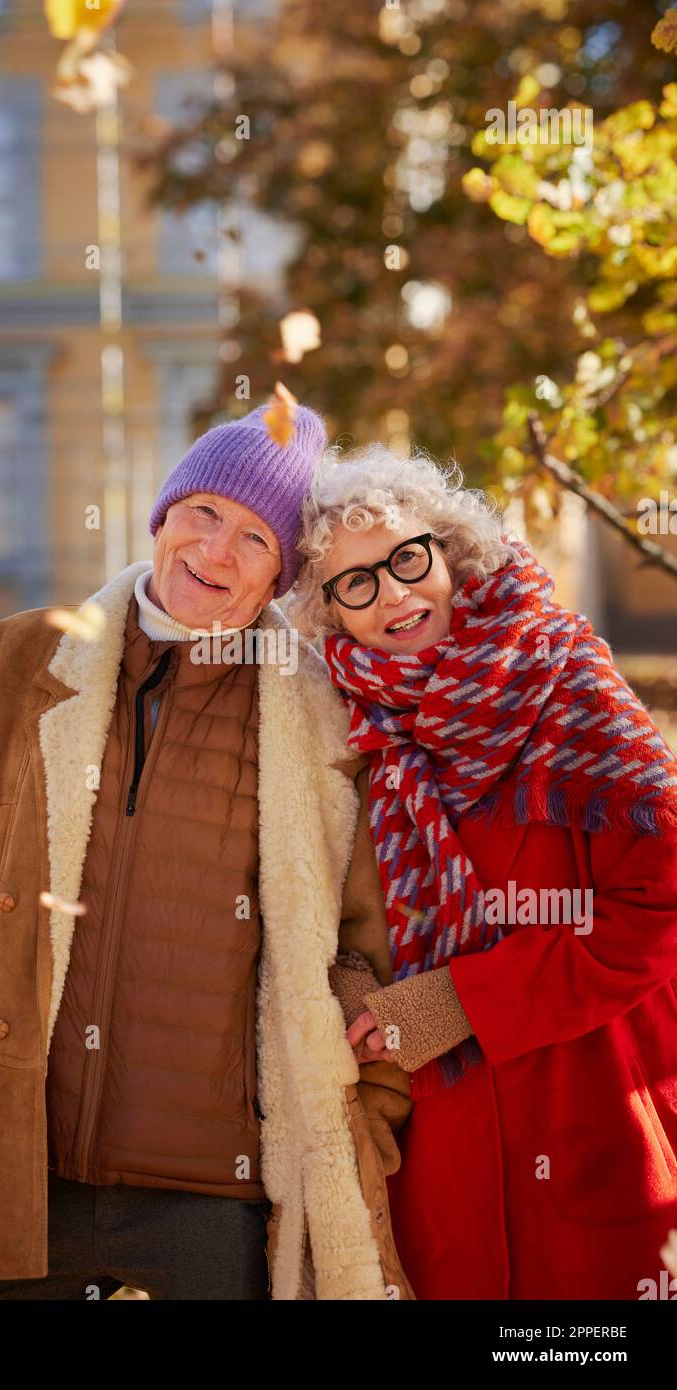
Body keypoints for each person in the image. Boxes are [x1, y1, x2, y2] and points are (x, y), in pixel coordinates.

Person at [0, 403, 414, 1301]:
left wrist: (366, 1103)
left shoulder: (318, 717)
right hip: (10, 1167)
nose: (216, 552)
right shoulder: (14, 660)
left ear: (281, 576)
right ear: (164, 515)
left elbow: (366, 944)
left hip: (213, 1202)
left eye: (256, 538)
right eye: (204, 514)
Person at [290, 442, 677, 1299]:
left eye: (406, 558)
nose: (392, 593)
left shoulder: (568, 680)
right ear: (330, 614)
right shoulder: (343, 727)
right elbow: (318, 901)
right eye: (356, 582)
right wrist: (352, 980)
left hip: (594, 1101)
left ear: (451, 554)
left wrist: (468, 1000)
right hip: (443, 1140)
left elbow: (660, 907)